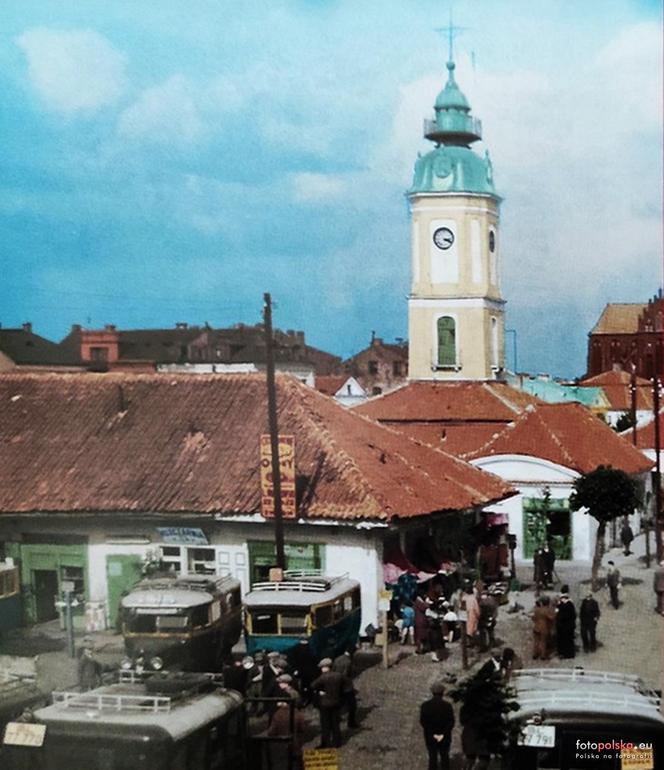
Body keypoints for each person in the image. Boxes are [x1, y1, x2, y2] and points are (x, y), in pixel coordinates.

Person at [311, 657, 347, 749]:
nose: (321, 669)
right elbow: (345, 686)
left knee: (325, 724)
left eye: (322, 667)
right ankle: (337, 742)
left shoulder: (323, 677)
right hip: (336, 702)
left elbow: (313, 685)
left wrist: (320, 691)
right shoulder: (339, 676)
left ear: (326, 667)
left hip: (325, 703)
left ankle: (325, 743)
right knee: (335, 723)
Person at [419, 680, 455, 770]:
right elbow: (451, 722)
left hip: (430, 736)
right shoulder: (447, 706)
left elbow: (423, 722)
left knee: (432, 757)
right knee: (444, 757)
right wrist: (443, 734)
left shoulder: (425, 705)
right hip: (445, 736)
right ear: (442, 693)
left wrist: (432, 734)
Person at [267, 700, 307, 770]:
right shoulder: (298, 714)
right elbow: (303, 728)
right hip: (295, 746)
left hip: (280, 747)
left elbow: (271, 732)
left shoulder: (277, 714)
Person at [332, 647, 358, 728]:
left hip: (336, 683)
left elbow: (333, 669)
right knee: (352, 705)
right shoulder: (348, 662)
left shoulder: (337, 659)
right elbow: (346, 674)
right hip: (346, 686)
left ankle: (336, 718)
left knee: (338, 702)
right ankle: (351, 722)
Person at [555, 591, 576, 659]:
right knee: (564, 640)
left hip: (567, 626)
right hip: (563, 626)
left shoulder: (569, 605)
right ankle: (564, 653)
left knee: (567, 640)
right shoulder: (563, 605)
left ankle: (568, 654)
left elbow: (567, 615)